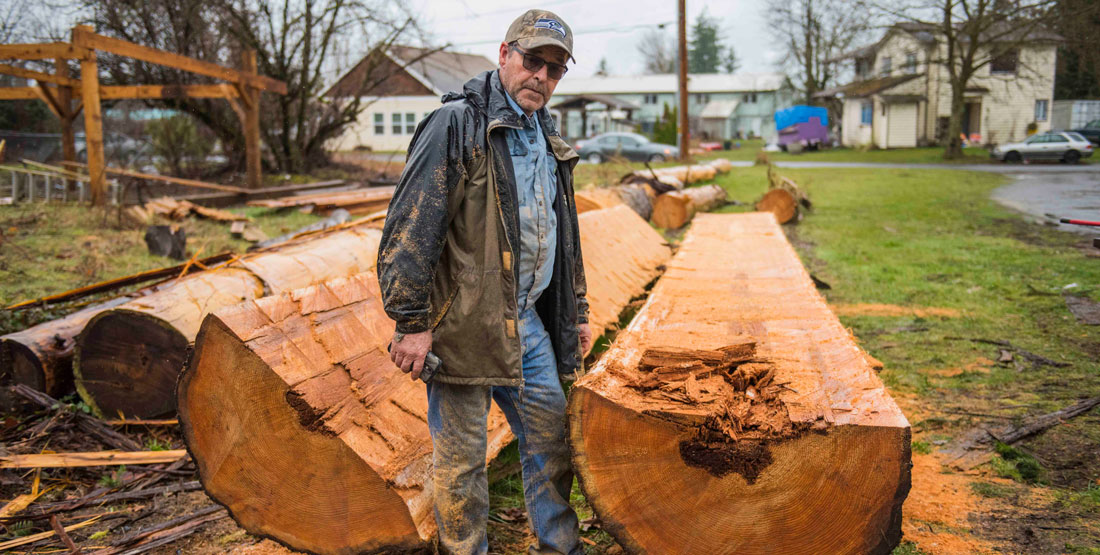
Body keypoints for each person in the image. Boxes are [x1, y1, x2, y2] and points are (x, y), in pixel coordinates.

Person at [377, 9, 591, 555]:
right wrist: (411, 323)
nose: (541, 76)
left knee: (551, 441)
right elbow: (410, 226)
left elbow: (563, 233)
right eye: (532, 61)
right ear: (504, 55)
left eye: (555, 68)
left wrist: (578, 312)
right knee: (462, 466)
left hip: (527, 322)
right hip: (463, 327)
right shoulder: (457, 124)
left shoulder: (546, 131)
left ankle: (559, 548)